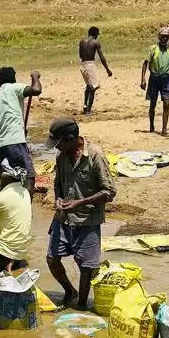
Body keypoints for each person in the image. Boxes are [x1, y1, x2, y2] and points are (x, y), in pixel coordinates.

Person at [45, 117, 115, 310]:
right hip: (63, 218)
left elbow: (109, 192)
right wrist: (58, 198)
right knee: (52, 258)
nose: (57, 148)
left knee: (86, 267)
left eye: (59, 144)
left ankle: (82, 305)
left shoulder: (95, 156)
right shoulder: (61, 157)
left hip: (87, 220)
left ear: (71, 139)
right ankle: (69, 291)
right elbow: (57, 182)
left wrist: (80, 202)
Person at [0, 67, 43, 186]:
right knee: (29, 176)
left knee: (9, 178)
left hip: (2, 144)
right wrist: (35, 76)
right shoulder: (14, 87)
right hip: (15, 141)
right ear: (14, 76)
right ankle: (26, 203)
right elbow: (36, 89)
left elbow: (5, 117)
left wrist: (21, 129)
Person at [140, 26, 169, 137]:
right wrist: (143, 79)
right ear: (159, 37)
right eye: (163, 36)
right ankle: (151, 126)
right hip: (154, 78)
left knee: (166, 103)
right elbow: (145, 63)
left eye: (167, 37)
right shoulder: (153, 48)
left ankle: (164, 129)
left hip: (167, 79)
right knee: (153, 104)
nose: (165, 39)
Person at [78, 26, 113, 115]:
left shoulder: (81, 42)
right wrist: (107, 69)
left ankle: (85, 105)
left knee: (88, 86)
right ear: (95, 34)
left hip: (82, 65)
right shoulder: (95, 42)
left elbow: (81, 56)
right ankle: (89, 111)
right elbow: (101, 57)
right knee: (94, 87)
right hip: (90, 65)